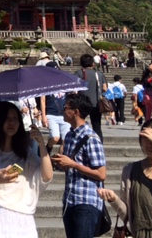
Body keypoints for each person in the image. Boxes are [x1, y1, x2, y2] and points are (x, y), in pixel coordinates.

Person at [0, 102, 52, 238]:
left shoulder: (26, 152)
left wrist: (42, 144)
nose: (11, 123)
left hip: (24, 219)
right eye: (7, 118)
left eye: (15, 118)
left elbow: (47, 176)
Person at [51, 93, 107, 238]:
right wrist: (59, 162)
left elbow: (101, 174)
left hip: (86, 201)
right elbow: (68, 166)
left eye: (65, 108)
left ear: (75, 112)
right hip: (70, 200)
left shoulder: (91, 138)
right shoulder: (69, 135)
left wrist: (73, 164)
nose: (62, 111)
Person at [74, 53, 108, 143]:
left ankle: (79, 142)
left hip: (82, 103)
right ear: (93, 63)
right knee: (97, 126)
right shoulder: (99, 74)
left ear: (81, 63)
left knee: (79, 124)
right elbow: (105, 88)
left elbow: (74, 89)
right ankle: (99, 143)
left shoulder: (79, 73)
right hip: (96, 103)